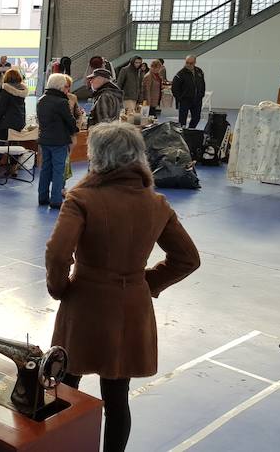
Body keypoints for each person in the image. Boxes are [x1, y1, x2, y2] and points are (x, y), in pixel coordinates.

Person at [46, 122, 200, 452]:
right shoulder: (157, 203)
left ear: (98, 157)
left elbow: (58, 252)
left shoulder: (81, 198)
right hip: (132, 309)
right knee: (117, 396)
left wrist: (59, 289)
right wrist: (146, 284)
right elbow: (187, 258)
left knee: (65, 386)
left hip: (85, 305)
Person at [37, 74, 79, 209]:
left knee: (45, 169)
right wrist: (75, 127)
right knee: (58, 171)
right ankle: (56, 200)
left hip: (44, 139)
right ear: (60, 86)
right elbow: (70, 122)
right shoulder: (62, 102)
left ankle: (42, 197)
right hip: (59, 141)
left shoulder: (41, 100)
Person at [0, 68, 28, 141]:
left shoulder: (5, 92)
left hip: (4, 125)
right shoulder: (22, 92)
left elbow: (0, 110)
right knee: (14, 149)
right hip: (18, 124)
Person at [171, 55, 206, 129]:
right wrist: (180, 98)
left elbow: (202, 84)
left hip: (197, 100)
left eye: (191, 63)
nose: (189, 65)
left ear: (195, 62)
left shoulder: (199, 71)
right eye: (187, 63)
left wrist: (201, 95)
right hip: (185, 101)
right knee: (182, 121)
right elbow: (174, 88)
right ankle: (182, 133)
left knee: (196, 118)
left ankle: (190, 130)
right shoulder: (180, 74)